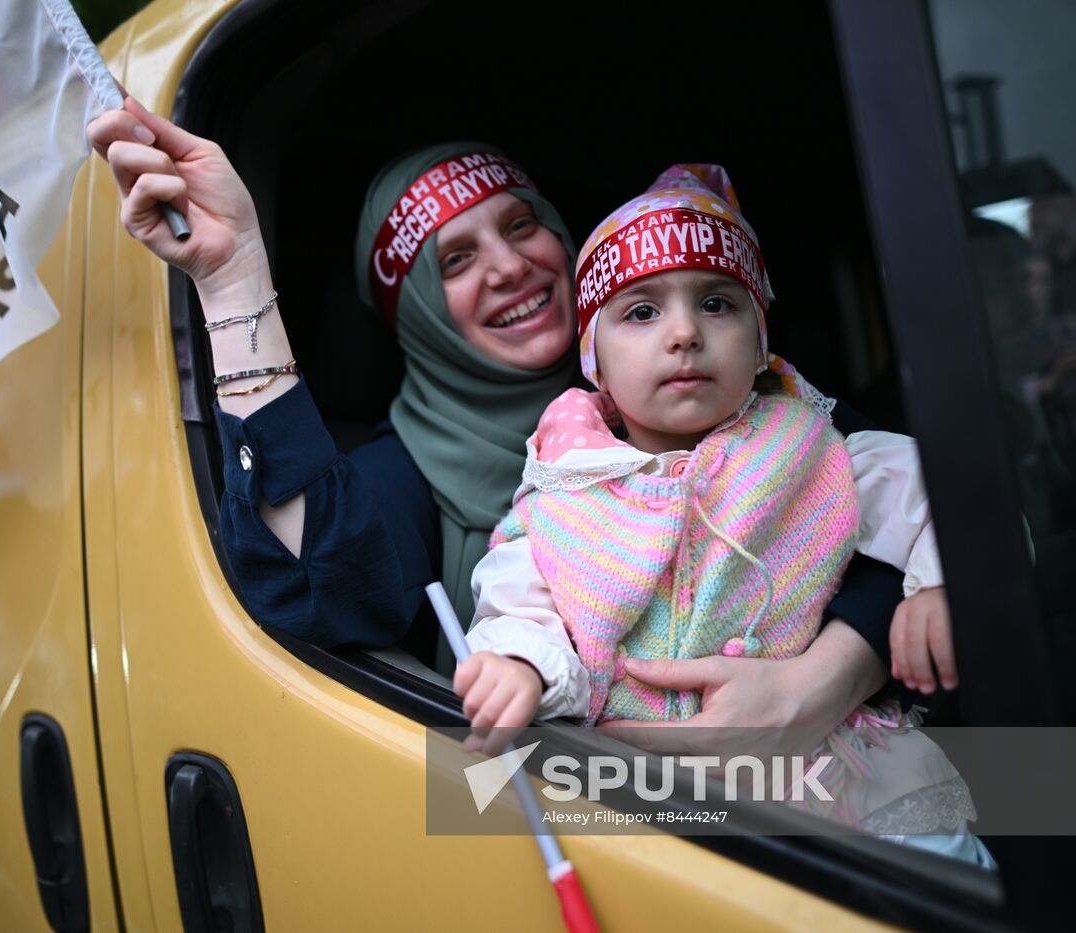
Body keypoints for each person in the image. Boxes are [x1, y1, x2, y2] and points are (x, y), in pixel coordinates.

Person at [87, 100, 907, 754]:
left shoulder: (727, 391)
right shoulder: (404, 479)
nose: (510, 265)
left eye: (521, 225)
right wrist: (232, 282)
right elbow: (312, 582)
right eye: (455, 259)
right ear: (415, 317)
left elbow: (906, 509)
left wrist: (817, 685)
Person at [455, 165, 990, 862]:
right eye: (641, 311)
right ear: (596, 363)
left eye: (717, 303)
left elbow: (955, 491)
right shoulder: (561, 497)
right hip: (646, 810)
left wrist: (935, 581)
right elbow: (519, 609)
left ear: (761, 335)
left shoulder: (814, 449)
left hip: (855, 790)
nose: (684, 333)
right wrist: (521, 665)